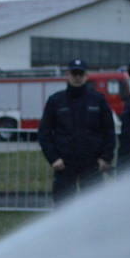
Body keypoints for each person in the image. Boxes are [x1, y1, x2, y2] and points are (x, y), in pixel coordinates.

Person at [37, 58, 116, 206]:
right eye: (74, 74)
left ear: (86, 76)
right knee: (63, 205)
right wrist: (53, 159)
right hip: (64, 165)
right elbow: (44, 133)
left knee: (95, 205)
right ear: (67, 75)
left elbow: (109, 132)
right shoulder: (56, 101)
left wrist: (106, 158)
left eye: (81, 74)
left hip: (92, 164)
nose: (77, 77)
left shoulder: (98, 100)